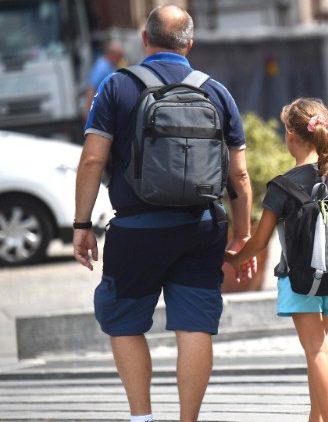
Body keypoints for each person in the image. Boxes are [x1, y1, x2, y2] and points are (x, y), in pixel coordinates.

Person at [73, 5, 253, 422]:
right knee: (194, 326)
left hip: (137, 228)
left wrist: (82, 225)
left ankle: (142, 417)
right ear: (190, 43)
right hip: (202, 227)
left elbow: (91, 161)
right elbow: (239, 175)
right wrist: (241, 234)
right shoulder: (217, 91)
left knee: (124, 322)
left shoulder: (116, 86)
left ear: (144, 39)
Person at [225, 97, 328, 422]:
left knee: (315, 352)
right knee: (321, 349)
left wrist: (235, 259)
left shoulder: (282, 187)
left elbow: (260, 241)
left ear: (290, 134)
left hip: (300, 279)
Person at [85, 40, 125, 120]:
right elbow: (91, 87)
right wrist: (87, 110)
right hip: (99, 111)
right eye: (119, 56)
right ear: (112, 54)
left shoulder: (111, 66)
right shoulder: (102, 66)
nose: (121, 59)